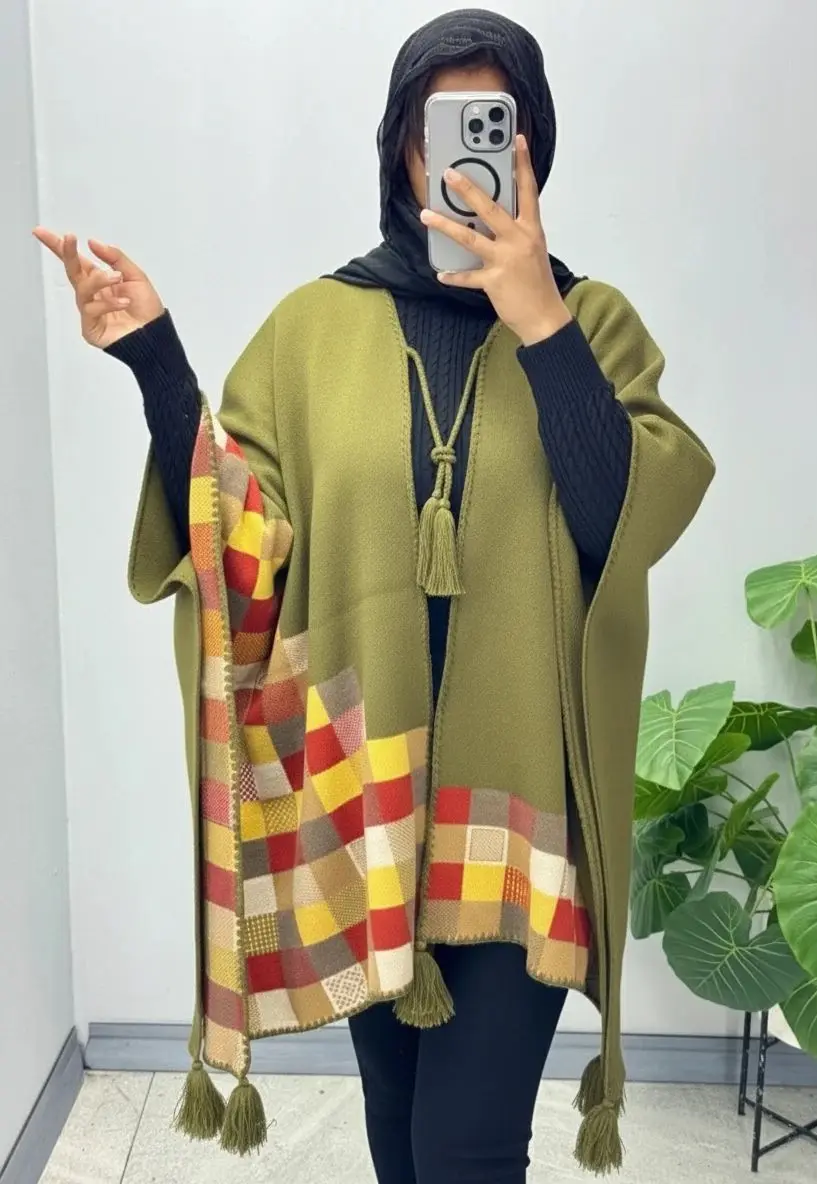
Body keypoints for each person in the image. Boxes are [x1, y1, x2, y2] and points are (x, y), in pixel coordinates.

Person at [35, 9, 714, 1183]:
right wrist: (156, 362)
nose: (461, 157)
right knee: (398, 1135)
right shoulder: (313, 327)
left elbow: (626, 521)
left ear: (533, 145)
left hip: (521, 817)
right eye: (435, 128)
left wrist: (541, 321)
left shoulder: (591, 322)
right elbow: (245, 537)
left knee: (465, 1148)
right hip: (364, 800)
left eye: (491, 124)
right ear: (400, 146)